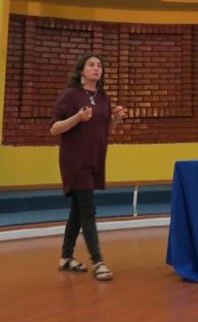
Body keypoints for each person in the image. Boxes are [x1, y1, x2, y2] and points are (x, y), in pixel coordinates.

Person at [50, 52, 126, 281]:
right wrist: (76, 118)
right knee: (88, 207)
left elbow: (106, 130)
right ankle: (98, 261)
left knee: (78, 209)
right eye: (91, 65)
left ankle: (65, 258)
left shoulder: (103, 97)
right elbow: (54, 128)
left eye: (99, 66)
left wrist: (116, 120)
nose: (96, 68)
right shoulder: (70, 96)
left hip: (95, 159)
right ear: (81, 70)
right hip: (75, 160)